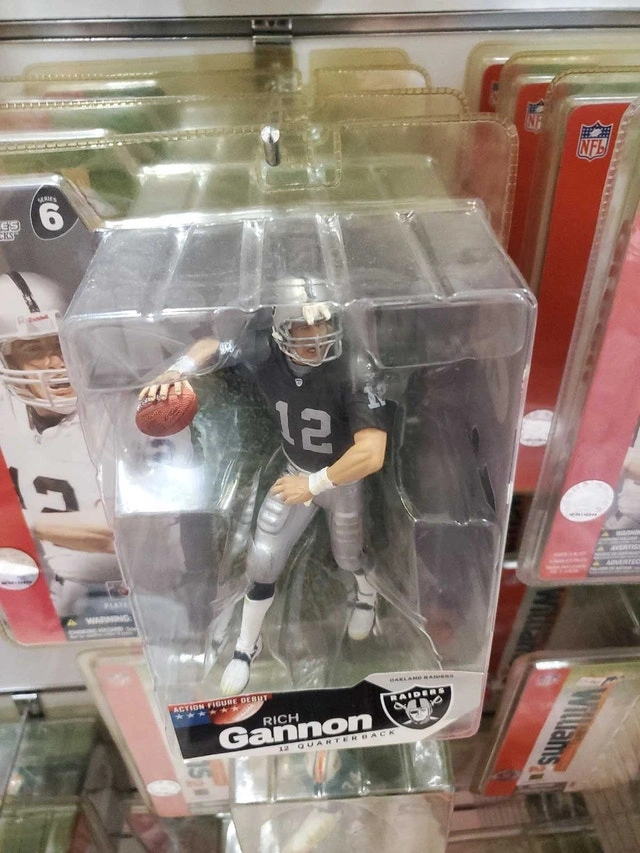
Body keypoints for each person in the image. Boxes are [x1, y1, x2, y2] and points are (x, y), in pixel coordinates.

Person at [141, 277, 389, 695]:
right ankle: (245, 647)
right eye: (303, 328)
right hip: (295, 470)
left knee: (349, 556)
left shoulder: (353, 367)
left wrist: (313, 484)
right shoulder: (263, 350)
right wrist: (177, 370)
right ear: (280, 330)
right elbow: (212, 346)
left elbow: (372, 453)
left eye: (323, 325)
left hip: (339, 480)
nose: (316, 338)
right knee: (263, 560)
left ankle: (367, 594)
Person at [0, 271, 125, 619]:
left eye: (59, 343)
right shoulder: (8, 409)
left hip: (122, 595)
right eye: (33, 350)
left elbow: (119, 532)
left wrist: (18, 523)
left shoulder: (116, 411)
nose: (55, 362)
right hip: (39, 589)